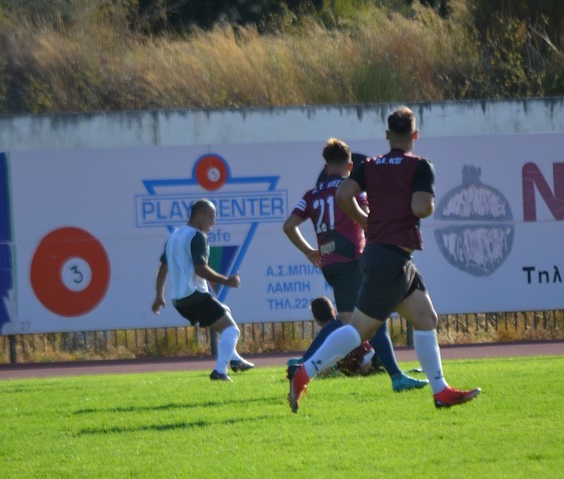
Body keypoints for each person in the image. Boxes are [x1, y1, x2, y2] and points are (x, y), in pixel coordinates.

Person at [288, 107, 480, 412]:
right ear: (415, 134)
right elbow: (421, 207)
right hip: (390, 257)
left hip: (391, 257)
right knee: (359, 330)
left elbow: (343, 196)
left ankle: (440, 390)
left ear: (388, 135)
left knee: (426, 318)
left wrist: (365, 220)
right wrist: (420, 204)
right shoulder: (420, 166)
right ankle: (305, 372)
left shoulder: (371, 165)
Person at [283, 137, 428, 392]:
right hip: (352, 260)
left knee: (349, 323)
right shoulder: (351, 190)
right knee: (374, 320)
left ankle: (303, 366)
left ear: (326, 167)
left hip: (330, 265)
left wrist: (308, 251)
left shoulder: (311, 194)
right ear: (350, 166)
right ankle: (396, 377)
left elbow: (289, 226)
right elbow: (367, 219)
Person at [152, 199, 255, 382]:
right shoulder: (198, 236)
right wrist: (226, 281)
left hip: (179, 300)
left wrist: (159, 295)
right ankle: (220, 372)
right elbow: (200, 269)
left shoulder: (174, 236)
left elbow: (163, 268)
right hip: (195, 295)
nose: (213, 222)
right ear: (199, 215)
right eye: (211, 217)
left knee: (225, 312)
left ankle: (235, 359)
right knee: (232, 330)